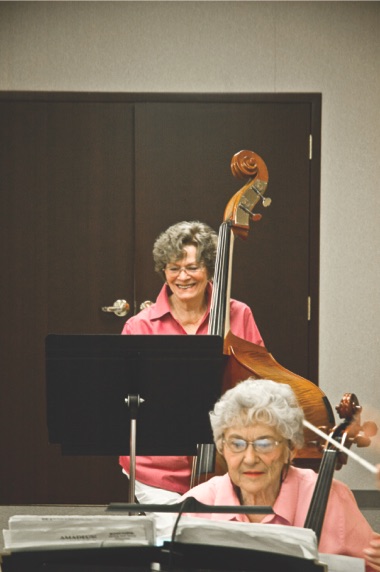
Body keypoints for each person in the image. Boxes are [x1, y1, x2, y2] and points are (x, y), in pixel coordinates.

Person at [119, 221, 264, 507]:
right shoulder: (139, 326)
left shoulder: (238, 315)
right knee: (176, 533)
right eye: (174, 268)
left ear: (210, 268)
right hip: (157, 469)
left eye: (193, 267)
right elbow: (123, 401)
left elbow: (259, 385)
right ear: (164, 271)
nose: (183, 277)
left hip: (227, 466)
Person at [180, 378, 380, 571]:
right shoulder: (194, 506)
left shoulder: (331, 498)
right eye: (237, 444)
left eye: (265, 444)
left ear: (290, 449)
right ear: (222, 447)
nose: (249, 458)